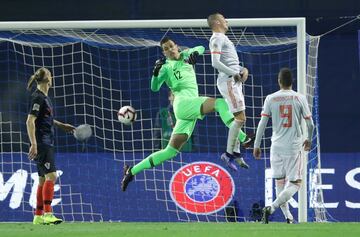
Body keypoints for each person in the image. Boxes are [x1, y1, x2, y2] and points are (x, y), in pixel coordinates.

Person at [121, 37, 251, 191]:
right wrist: (155, 73)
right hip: (183, 104)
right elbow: (154, 88)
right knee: (220, 103)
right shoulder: (165, 67)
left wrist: (195, 53)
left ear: (176, 46)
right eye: (166, 49)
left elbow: (201, 48)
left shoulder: (186, 55)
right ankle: (244, 138)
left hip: (189, 108)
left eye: (171, 46)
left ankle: (132, 171)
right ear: (164, 52)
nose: (170, 50)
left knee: (170, 151)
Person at [252, 68, 314, 224]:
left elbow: (262, 124)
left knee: (279, 182)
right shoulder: (299, 98)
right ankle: (271, 208)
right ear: (292, 82)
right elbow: (310, 124)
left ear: (279, 81)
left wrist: (257, 145)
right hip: (293, 147)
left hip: (276, 146)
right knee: (296, 183)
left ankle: (288, 217)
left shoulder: (270, 98)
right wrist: (309, 139)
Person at [26, 67, 75, 225]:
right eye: (50, 75)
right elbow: (30, 121)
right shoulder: (38, 97)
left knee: (42, 179)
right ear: (47, 79)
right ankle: (48, 213)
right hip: (42, 142)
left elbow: (45, 119)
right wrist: (34, 144)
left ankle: (38, 216)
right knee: (52, 176)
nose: (52, 77)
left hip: (46, 141)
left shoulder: (45, 98)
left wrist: (61, 125)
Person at [207, 13, 253, 170]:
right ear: (218, 22)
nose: (227, 21)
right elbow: (215, 63)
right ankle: (228, 154)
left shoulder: (224, 39)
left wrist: (242, 69)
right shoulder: (216, 38)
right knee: (240, 118)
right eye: (224, 19)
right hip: (228, 81)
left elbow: (231, 63)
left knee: (238, 119)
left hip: (233, 80)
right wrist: (234, 73)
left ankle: (237, 153)